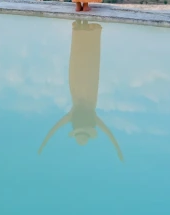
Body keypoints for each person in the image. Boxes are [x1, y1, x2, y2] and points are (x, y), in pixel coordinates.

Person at [38, 20, 123, 161]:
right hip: (85, 80)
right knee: (86, 59)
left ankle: (82, 29)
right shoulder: (83, 116)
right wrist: (118, 150)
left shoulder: (77, 116)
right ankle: (82, 29)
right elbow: (108, 133)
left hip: (82, 79)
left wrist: (44, 144)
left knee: (84, 58)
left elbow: (54, 129)